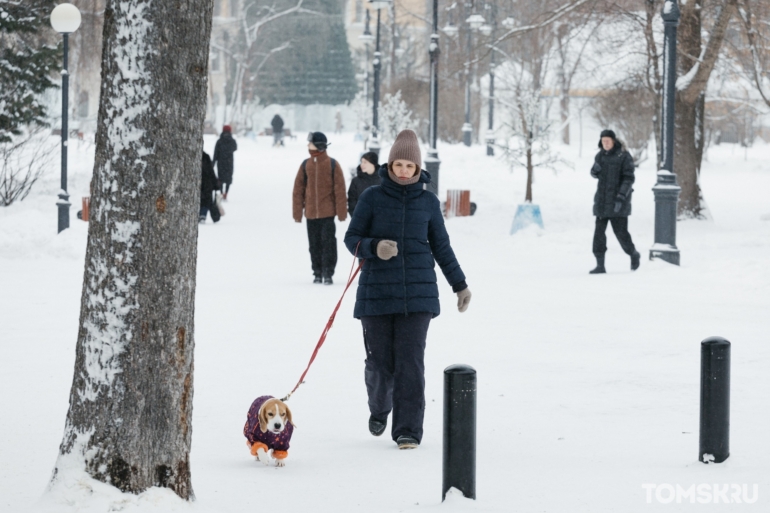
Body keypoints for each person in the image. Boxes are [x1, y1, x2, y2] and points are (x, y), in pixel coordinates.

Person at [344, 129, 472, 450]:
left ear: (417, 169)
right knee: (379, 363)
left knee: (411, 363)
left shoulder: (428, 202)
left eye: (409, 166)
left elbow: (441, 247)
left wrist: (460, 285)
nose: (403, 171)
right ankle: (379, 407)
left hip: (418, 296)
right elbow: (352, 239)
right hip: (376, 295)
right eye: (398, 164)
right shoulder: (371, 197)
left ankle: (408, 430)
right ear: (390, 164)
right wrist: (375, 247)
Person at [292, 132, 348, 285]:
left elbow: (340, 190)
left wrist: (342, 212)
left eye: (310, 143)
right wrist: (298, 213)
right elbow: (298, 190)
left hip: (327, 213)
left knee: (328, 244)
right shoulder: (305, 165)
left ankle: (328, 272)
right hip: (310, 214)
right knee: (314, 245)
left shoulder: (332, 164)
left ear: (318, 145)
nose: (308, 145)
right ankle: (317, 272)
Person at [590, 129, 640, 273]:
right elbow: (596, 174)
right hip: (601, 201)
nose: (605, 143)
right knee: (598, 234)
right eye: (603, 141)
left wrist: (621, 197)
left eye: (608, 141)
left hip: (619, 202)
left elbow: (629, 178)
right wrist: (594, 171)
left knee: (621, 234)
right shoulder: (600, 156)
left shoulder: (624, 156)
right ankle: (600, 265)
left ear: (613, 141)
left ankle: (633, 254)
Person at [347, 151, 380, 217]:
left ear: (373, 163)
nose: (362, 164)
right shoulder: (355, 181)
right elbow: (352, 202)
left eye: (365, 162)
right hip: (360, 221)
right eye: (361, 162)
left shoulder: (383, 181)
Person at [213, 125, 237, 200]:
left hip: (221, 162)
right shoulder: (232, 141)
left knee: (220, 178)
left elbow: (215, 153)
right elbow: (235, 148)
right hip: (229, 162)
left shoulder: (219, 141)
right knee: (228, 178)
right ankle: (226, 193)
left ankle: (221, 192)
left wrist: (213, 163)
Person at [200, 151, 221, 224]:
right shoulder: (206, 157)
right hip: (207, 183)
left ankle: (201, 215)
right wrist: (215, 183)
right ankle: (203, 215)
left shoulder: (195, 156)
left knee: (201, 200)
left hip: (200, 183)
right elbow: (211, 171)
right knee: (206, 201)